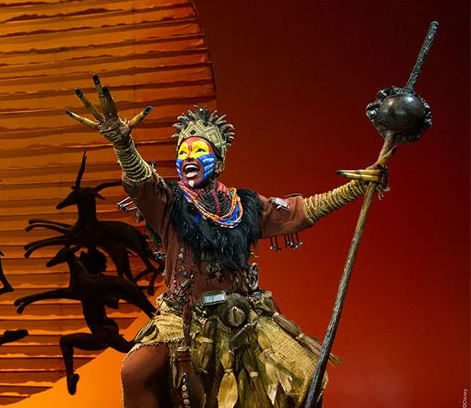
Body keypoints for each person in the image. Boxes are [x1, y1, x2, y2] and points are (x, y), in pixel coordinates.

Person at [66, 75, 387, 407]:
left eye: (199, 150)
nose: (189, 155)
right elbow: (141, 180)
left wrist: (358, 186)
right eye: (183, 151)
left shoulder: (244, 205)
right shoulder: (168, 201)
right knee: (135, 371)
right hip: (184, 316)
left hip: (242, 313)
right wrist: (122, 144)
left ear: (218, 162)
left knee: (305, 375)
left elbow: (301, 209)